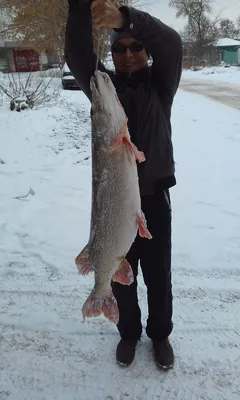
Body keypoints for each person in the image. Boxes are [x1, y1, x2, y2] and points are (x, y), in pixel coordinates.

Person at [65, 0, 183, 369]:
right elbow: (79, 57)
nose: (128, 53)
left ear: (146, 52)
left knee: (158, 278)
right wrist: (80, 8)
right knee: (119, 278)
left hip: (153, 202)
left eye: (136, 46)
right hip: (114, 207)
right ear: (112, 54)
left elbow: (171, 44)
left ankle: (160, 335)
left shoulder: (161, 86)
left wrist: (126, 19)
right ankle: (128, 333)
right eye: (119, 47)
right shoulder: (105, 89)